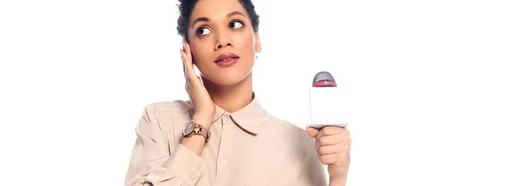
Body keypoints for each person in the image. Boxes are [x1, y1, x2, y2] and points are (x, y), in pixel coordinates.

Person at [124, 0, 352, 185]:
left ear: (257, 39)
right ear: (188, 50)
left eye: (234, 24)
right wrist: (201, 119)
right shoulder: (158, 121)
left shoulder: (298, 144)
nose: (222, 41)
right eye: (203, 30)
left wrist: (338, 177)